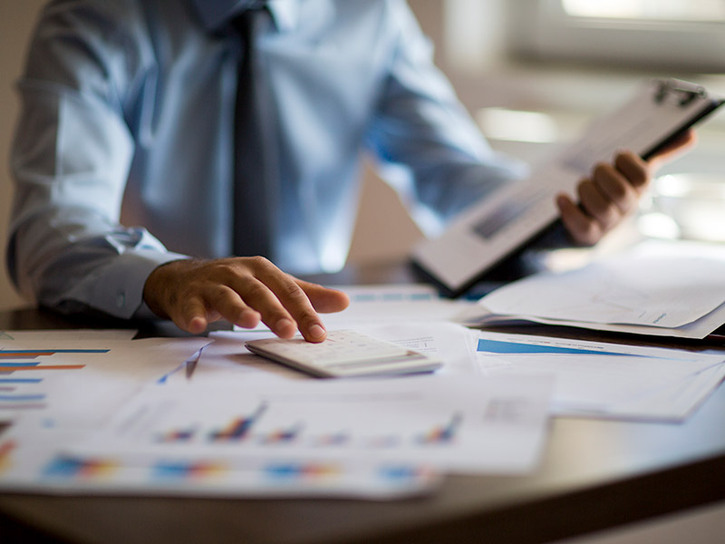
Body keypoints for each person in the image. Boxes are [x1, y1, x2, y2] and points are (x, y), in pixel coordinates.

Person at [6, 0, 693, 342]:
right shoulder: (93, 19)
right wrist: (164, 274)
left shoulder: (371, 15)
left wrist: (561, 213)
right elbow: (52, 229)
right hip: (155, 337)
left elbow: (454, 177)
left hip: (318, 339)